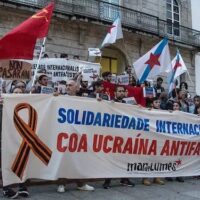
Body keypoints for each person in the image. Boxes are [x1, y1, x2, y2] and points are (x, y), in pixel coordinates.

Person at [56, 78, 94, 192]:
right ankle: (61, 184)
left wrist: (99, 101)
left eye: (70, 85)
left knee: (79, 159)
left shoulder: (84, 101)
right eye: (67, 85)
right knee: (63, 159)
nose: (67, 87)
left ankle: (81, 184)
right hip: (64, 134)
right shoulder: (60, 98)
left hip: (78, 135)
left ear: (77, 88)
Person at [102, 86, 135, 189]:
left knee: (125, 158)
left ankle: (124, 179)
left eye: (122, 91)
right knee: (112, 158)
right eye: (119, 91)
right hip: (113, 136)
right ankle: (107, 181)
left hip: (124, 135)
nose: (121, 93)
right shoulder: (110, 103)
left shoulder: (127, 104)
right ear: (115, 93)